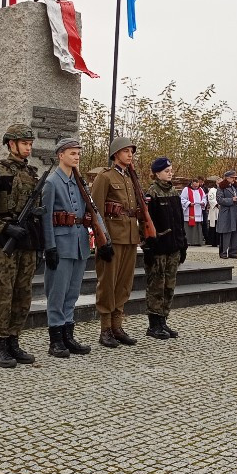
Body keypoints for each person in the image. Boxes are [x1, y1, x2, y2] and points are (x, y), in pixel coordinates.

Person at [0, 124, 44, 368]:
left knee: (23, 294)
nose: (28, 147)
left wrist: (41, 245)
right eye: (24, 143)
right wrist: (4, 227)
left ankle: (14, 341)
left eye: (30, 144)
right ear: (11, 144)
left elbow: (37, 214)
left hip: (27, 243)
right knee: (4, 294)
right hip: (6, 243)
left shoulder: (33, 173)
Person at [40, 138, 111, 358]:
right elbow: (46, 217)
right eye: (72, 153)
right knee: (57, 293)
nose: (77, 157)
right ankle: (56, 339)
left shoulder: (79, 182)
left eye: (78, 153)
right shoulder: (52, 182)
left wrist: (105, 239)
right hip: (60, 244)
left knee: (72, 292)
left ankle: (68, 335)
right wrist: (49, 247)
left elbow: (94, 210)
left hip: (79, 243)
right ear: (60, 155)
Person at [90, 136, 143, 349]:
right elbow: (96, 211)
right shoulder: (105, 177)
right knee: (108, 283)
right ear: (115, 154)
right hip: (112, 237)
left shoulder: (131, 178)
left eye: (131, 151)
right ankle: (105, 329)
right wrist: (101, 240)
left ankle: (117, 326)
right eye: (125, 151)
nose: (130, 154)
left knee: (124, 283)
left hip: (130, 237)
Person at [142, 157, 188, 340]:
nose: (170, 173)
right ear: (157, 173)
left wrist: (183, 244)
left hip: (173, 247)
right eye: (167, 171)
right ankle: (154, 324)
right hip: (159, 248)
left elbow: (179, 221)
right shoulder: (151, 193)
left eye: (171, 170)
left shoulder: (175, 193)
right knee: (156, 286)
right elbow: (146, 221)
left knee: (169, 286)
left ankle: (163, 320)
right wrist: (149, 246)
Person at [216, 171, 237, 258]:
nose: (234, 179)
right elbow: (219, 200)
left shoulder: (235, 187)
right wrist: (231, 200)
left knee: (235, 232)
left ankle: (233, 252)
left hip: (236, 213)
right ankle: (223, 252)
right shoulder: (221, 187)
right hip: (227, 213)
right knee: (226, 233)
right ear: (227, 178)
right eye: (233, 178)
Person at [180, 178, 206, 247]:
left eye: (197, 186)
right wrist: (189, 203)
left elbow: (204, 198)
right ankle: (188, 241)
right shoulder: (186, 189)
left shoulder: (201, 190)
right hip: (189, 211)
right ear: (191, 184)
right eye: (194, 186)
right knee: (188, 227)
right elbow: (182, 199)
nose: (196, 187)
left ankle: (197, 241)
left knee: (198, 227)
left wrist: (203, 203)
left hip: (198, 210)